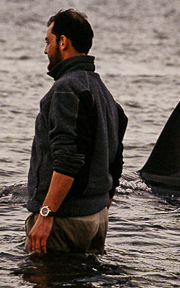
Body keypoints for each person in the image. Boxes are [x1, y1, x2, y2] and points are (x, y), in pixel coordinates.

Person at [25, 9, 127, 256]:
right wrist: (102, 205)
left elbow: (67, 160)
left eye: (48, 42)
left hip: (64, 221)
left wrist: (46, 214)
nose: (46, 51)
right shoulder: (102, 91)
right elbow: (116, 158)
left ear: (63, 42)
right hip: (97, 219)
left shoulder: (65, 89)